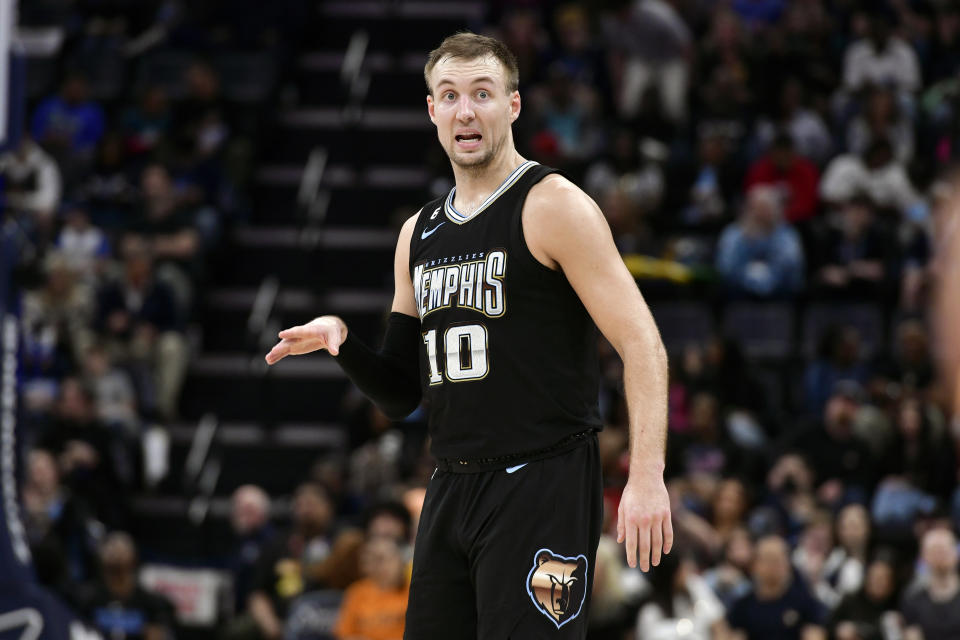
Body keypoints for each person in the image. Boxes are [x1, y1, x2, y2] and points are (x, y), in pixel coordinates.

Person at [266, 32, 672, 639]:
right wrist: (343, 344)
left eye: (482, 93)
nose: (465, 111)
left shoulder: (552, 205)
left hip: (543, 480)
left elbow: (642, 342)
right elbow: (403, 393)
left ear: (512, 104)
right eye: (449, 95)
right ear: (432, 110)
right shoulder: (418, 233)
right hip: (450, 483)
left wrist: (646, 474)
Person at [726, 535, 827, 640]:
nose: (776, 565)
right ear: (755, 565)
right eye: (770, 559)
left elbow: (814, 634)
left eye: (781, 558)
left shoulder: (805, 602)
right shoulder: (742, 607)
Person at [901, 528, 960, 640]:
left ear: (955, 554)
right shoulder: (912, 597)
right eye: (934, 550)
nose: (939, 556)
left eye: (944, 550)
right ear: (923, 556)